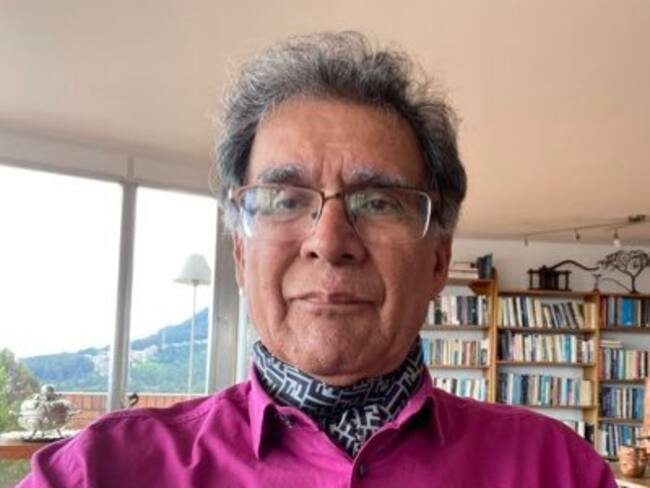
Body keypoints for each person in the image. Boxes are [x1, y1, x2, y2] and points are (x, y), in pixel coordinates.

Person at [18, 31, 616, 487]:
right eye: (285, 199)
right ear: (240, 253)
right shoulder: (95, 473)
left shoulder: (559, 472)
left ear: (439, 259)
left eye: (378, 201)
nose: (329, 241)